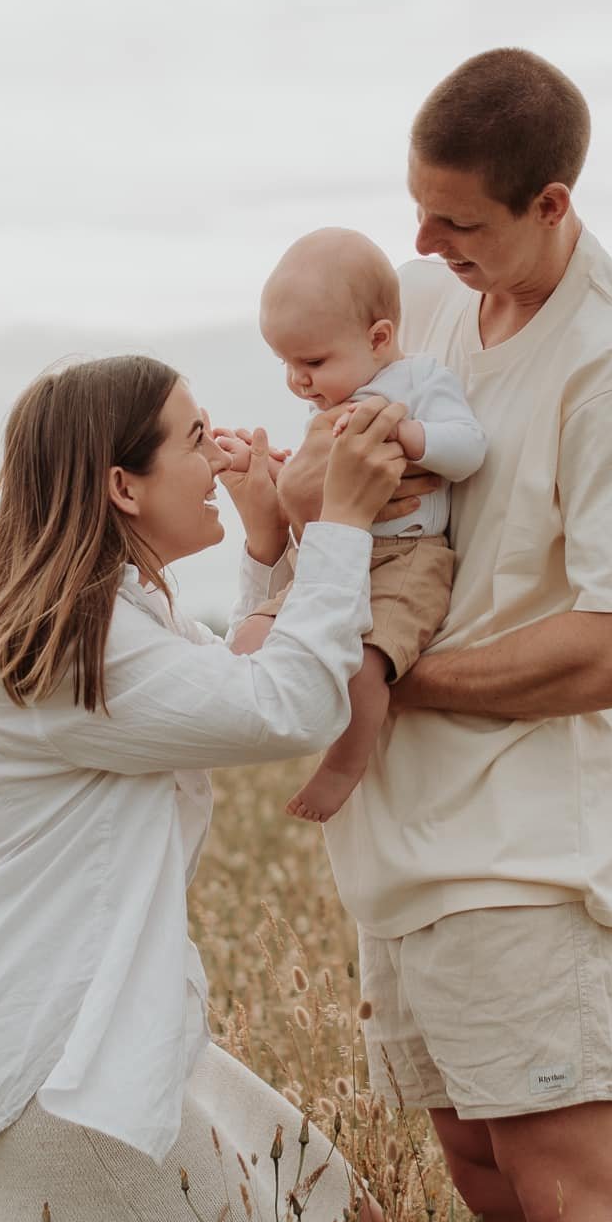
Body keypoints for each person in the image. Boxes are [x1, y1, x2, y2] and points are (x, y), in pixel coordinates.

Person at [276, 48, 612, 1222]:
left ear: (551, 203)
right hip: (413, 851)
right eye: (418, 210)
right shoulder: (420, 303)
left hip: (539, 853)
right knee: (486, 1180)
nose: (423, 242)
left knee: (577, 1204)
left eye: (459, 221)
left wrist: (392, 682)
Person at [0, 356, 406, 1222]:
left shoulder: (114, 617)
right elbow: (285, 706)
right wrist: (340, 522)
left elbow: (238, 671)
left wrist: (271, 542)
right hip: (51, 1055)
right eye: (192, 434)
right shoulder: (77, 644)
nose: (220, 453)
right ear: (122, 484)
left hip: (107, 1022)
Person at [226, 226, 486, 822]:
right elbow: (317, 491)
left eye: (312, 361)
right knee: (251, 640)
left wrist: (410, 436)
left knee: (365, 665)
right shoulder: (331, 404)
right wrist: (278, 472)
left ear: (379, 337)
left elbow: (468, 448)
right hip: (332, 556)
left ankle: (344, 765)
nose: (299, 381)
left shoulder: (419, 382)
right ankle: (254, 728)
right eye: (287, 364)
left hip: (406, 558)